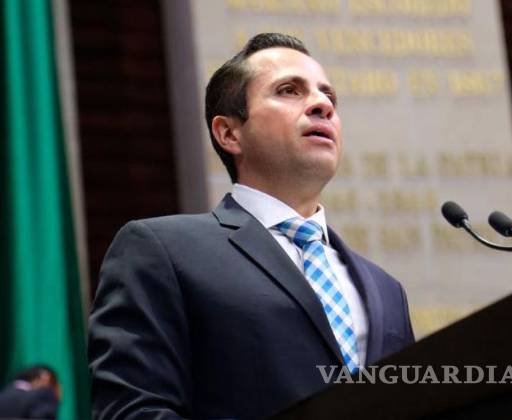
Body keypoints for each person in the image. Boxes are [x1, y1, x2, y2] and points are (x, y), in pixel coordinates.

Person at [88, 33, 414, 420]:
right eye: (289, 90)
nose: (322, 105)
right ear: (229, 133)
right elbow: (134, 410)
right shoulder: (162, 251)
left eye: (329, 96)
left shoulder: (386, 290)